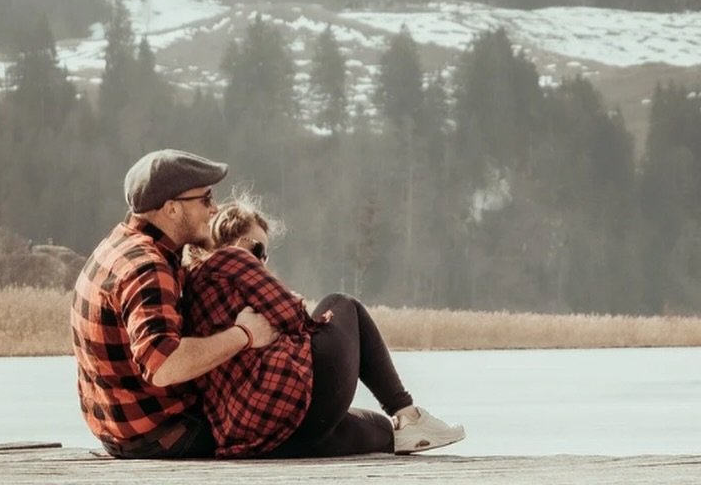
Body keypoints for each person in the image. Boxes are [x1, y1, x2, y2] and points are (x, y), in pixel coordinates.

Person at [184, 195, 465, 459]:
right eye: (258, 248)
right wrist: (291, 306)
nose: (261, 261)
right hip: (282, 402)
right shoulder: (231, 258)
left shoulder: (194, 285)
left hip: (255, 437)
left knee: (382, 430)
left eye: (265, 254)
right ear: (230, 239)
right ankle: (407, 412)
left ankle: (405, 429)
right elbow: (296, 318)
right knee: (342, 304)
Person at [72, 148, 276, 459]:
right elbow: (164, 365)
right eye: (205, 199)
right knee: (348, 426)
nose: (214, 209)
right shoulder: (149, 268)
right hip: (165, 434)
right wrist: (244, 335)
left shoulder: (116, 245)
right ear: (171, 209)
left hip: (122, 434)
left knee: (345, 427)